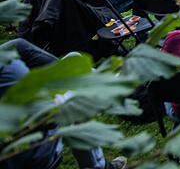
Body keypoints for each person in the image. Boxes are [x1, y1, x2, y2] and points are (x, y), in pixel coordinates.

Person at [0, 39, 128, 169]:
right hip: (29, 147)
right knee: (76, 98)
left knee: (72, 59)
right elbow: (45, 117)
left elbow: (20, 46)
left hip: (27, 119)